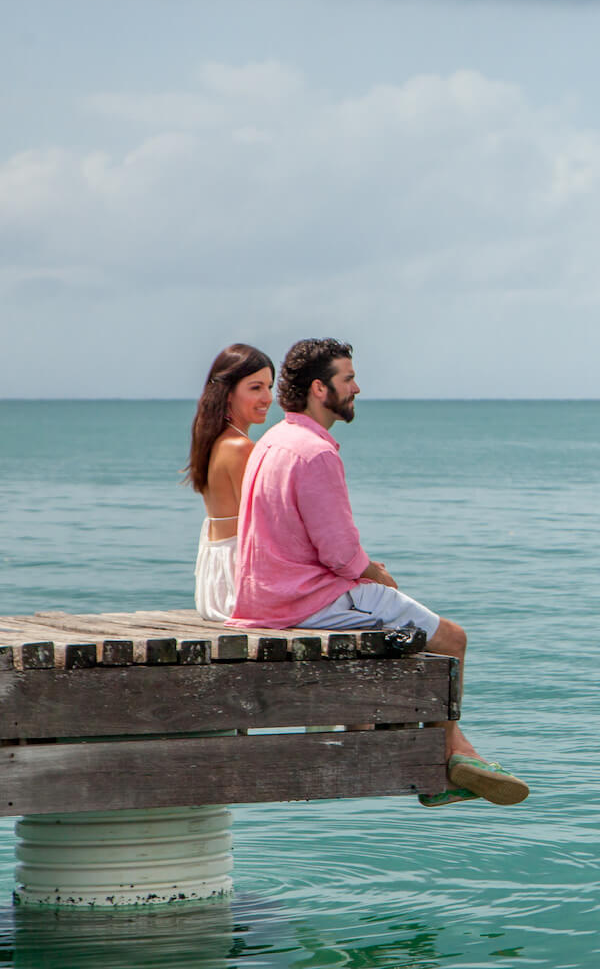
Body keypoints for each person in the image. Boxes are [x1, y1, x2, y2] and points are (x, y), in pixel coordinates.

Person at [230, 338, 526, 808]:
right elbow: (340, 554)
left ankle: (432, 742)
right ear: (319, 390)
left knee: (399, 630)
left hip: (260, 599)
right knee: (451, 639)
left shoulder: (272, 442)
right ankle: (450, 756)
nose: (357, 388)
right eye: (347, 379)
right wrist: (375, 573)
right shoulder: (316, 452)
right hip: (307, 600)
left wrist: (362, 570)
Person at [184, 343, 275, 623]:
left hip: (214, 587)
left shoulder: (213, 442)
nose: (268, 398)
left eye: (270, 387)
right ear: (228, 392)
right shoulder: (240, 447)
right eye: (256, 387)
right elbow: (265, 530)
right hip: (239, 589)